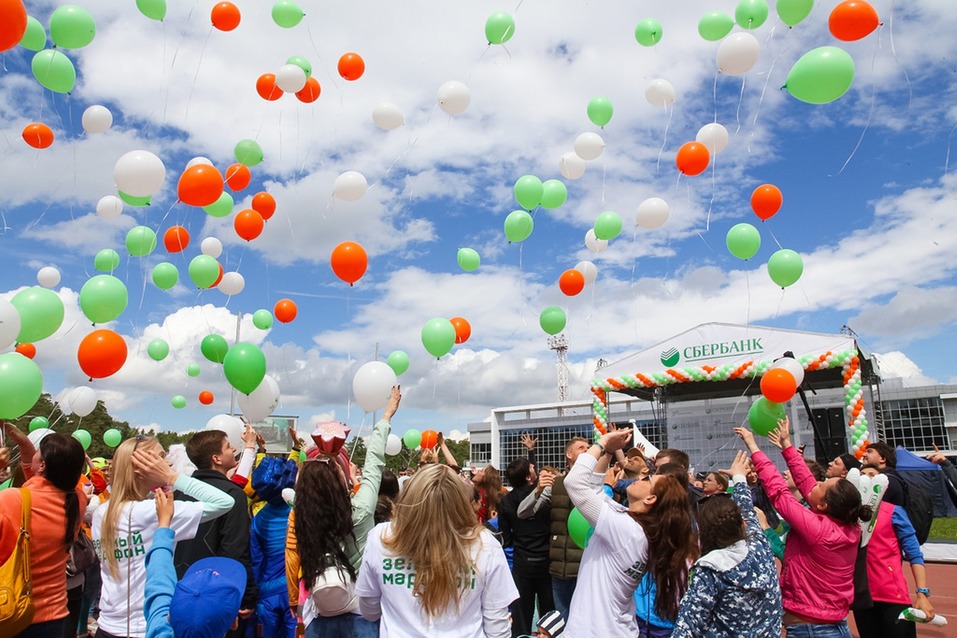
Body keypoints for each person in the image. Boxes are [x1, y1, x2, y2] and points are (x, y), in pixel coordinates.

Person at [736, 420, 871, 637]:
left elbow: (779, 493)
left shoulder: (818, 529)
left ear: (823, 505)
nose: (814, 484)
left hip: (813, 630)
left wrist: (754, 447)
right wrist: (787, 446)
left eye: (821, 485)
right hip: (828, 624)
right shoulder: (846, 524)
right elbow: (806, 480)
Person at [286, 387, 400, 638]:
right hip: (362, 617)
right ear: (339, 481)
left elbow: (298, 489)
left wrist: (322, 455)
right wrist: (386, 417)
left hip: (319, 617)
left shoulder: (303, 511)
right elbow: (373, 464)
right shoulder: (359, 511)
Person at [92, 436, 234, 638]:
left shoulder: (101, 512)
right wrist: (172, 477)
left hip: (107, 626)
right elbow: (224, 502)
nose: (168, 463)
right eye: (160, 459)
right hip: (148, 626)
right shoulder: (151, 512)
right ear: (140, 468)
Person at [355, 463, 519, 636]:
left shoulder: (381, 538)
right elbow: (497, 628)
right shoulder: (484, 543)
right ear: (461, 501)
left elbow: (369, 610)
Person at [563, 429, 697, 637]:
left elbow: (574, 484)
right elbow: (596, 493)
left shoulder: (627, 531)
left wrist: (601, 443)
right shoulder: (634, 525)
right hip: (617, 629)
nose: (643, 477)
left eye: (648, 481)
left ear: (650, 500)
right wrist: (607, 454)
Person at [672, 451, 782, 637]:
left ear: (704, 532)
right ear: (742, 525)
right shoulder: (760, 546)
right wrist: (739, 477)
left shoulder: (711, 569)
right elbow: (747, 510)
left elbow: (687, 626)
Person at [0, 427, 88, 638]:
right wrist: (27, 448)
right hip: (56, 615)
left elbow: (33, 492)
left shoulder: (12, 500)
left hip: (13, 614)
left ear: (43, 465)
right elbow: (42, 488)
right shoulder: (77, 500)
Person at [174, 426, 258, 636]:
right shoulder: (232, 495)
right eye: (229, 447)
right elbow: (235, 550)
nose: (234, 450)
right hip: (217, 594)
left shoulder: (180, 493)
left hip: (182, 590)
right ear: (216, 458)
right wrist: (246, 595)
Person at [144, 488, 245, 637]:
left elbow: (159, 581)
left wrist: (164, 525)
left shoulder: (159, 631)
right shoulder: (159, 627)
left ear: (169, 617)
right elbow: (158, 584)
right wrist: (164, 526)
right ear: (234, 623)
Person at [852, 464, 934, 637]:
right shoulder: (848, 515)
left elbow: (914, 554)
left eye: (872, 475)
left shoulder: (894, 512)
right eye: (862, 475)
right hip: (863, 598)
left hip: (893, 597)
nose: (867, 479)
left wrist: (922, 593)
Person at [517, 436, 590, 619]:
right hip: (560, 567)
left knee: (586, 620)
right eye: (582, 447)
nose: (587, 450)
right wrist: (538, 489)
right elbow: (523, 513)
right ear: (569, 454)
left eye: (589, 447)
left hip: (587, 566)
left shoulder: (597, 483)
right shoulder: (557, 485)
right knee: (562, 620)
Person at [500, 455, 553, 637]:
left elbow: (505, 538)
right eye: (531, 467)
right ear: (529, 478)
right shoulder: (546, 495)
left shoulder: (506, 501)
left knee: (522, 617)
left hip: (522, 563)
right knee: (550, 617)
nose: (534, 468)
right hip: (547, 561)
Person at [249, 456, 299, 638]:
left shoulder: (258, 519)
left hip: (265, 592)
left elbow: (255, 560)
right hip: (294, 589)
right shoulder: (299, 511)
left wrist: (252, 596)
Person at [864, 442, 906, 506]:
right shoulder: (890, 477)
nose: (864, 454)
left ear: (882, 459)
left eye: (869, 451)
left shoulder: (888, 481)